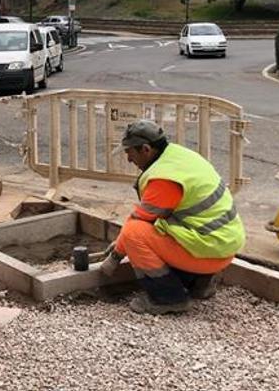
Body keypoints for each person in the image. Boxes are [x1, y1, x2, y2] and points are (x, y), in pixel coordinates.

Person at [100, 120, 245, 315]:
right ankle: (200, 284)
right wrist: (120, 244)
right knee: (160, 227)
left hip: (209, 251)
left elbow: (139, 222)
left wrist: (116, 256)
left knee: (134, 233)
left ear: (145, 149)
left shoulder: (164, 178)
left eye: (129, 152)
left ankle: (168, 298)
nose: (128, 159)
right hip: (224, 244)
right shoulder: (178, 156)